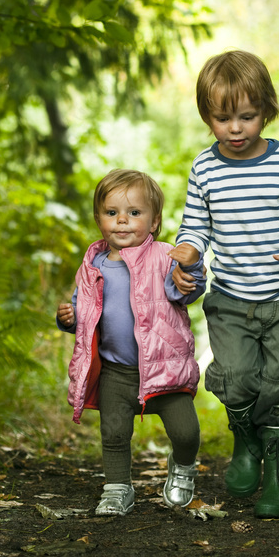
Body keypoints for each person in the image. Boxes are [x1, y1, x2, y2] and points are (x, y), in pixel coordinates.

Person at [169, 50, 279, 519]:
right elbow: (195, 226)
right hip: (231, 301)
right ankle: (246, 442)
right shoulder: (204, 169)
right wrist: (188, 251)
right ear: (207, 117)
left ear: (266, 110)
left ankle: (278, 482)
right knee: (236, 378)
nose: (236, 129)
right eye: (223, 119)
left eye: (247, 116)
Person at [57, 169, 207, 516]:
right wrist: (70, 319)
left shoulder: (165, 257)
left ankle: (183, 467)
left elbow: (187, 291)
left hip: (165, 367)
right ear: (99, 219)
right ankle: (117, 488)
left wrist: (192, 270)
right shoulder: (92, 265)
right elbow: (86, 314)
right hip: (116, 372)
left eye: (134, 212)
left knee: (186, 433)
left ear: (154, 222)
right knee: (113, 433)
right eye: (112, 212)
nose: (122, 220)